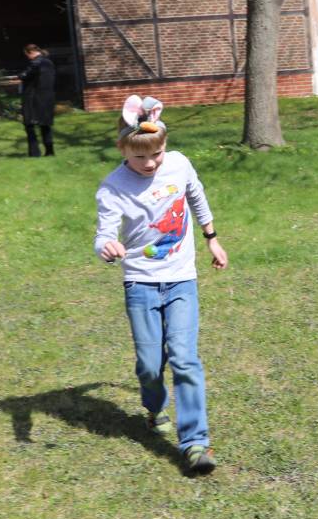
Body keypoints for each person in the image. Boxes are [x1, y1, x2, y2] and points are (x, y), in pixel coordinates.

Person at [94, 95, 228, 473]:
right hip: (141, 283)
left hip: (182, 278)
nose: (151, 163)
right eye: (140, 157)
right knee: (150, 366)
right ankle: (154, 408)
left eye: (158, 153)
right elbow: (103, 233)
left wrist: (211, 237)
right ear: (122, 149)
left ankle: (195, 443)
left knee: (185, 358)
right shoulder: (112, 187)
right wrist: (106, 245)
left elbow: (196, 196)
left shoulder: (180, 164)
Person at [19, 43, 56, 157]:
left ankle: (34, 152)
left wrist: (20, 75)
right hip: (48, 98)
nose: (27, 58)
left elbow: (25, 75)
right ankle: (49, 151)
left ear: (31, 53)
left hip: (33, 98)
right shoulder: (49, 62)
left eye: (27, 55)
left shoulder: (36, 63)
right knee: (45, 125)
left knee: (29, 125)